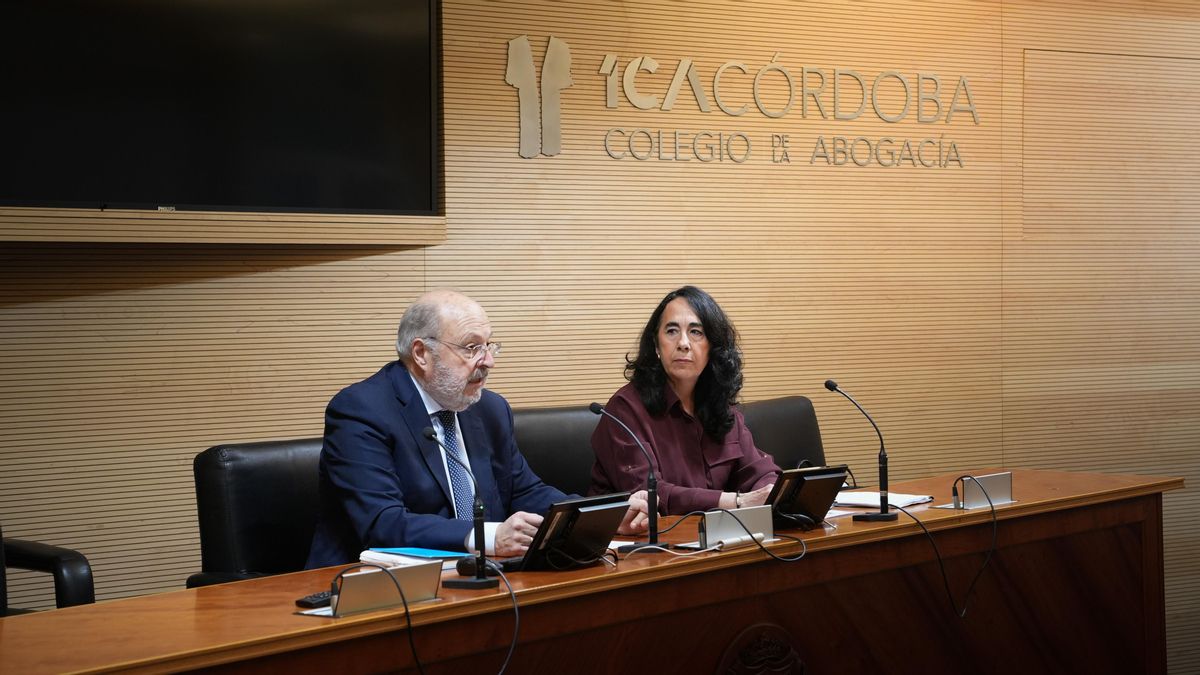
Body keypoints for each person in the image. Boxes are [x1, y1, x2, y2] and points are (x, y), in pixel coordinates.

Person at [307, 289, 648, 568]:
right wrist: (488, 537)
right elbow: (383, 523)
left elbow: (523, 491)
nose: (488, 361)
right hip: (366, 589)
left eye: (489, 346)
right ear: (422, 353)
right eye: (472, 348)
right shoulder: (361, 411)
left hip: (477, 579)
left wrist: (600, 517)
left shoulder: (488, 408)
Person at [589, 286, 780, 515]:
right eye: (671, 331)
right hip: (638, 543)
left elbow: (762, 472)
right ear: (656, 346)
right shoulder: (625, 409)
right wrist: (736, 502)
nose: (683, 343)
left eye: (696, 332)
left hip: (713, 541)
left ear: (712, 347)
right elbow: (649, 494)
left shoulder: (720, 406)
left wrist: (764, 495)